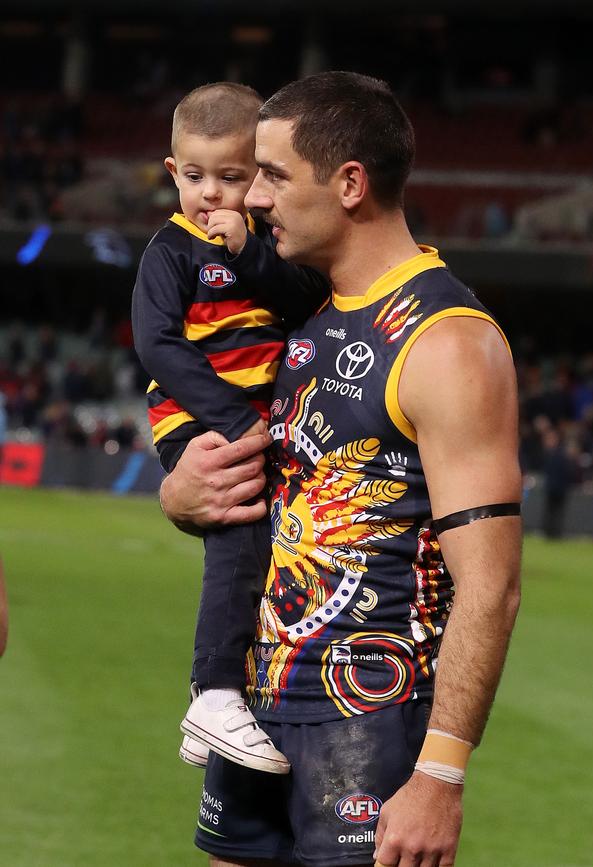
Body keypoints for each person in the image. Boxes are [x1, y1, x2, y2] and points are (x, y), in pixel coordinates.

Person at [161, 71, 522, 867]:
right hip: (259, 710)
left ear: (350, 183)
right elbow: (268, 487)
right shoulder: (303, 314)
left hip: (371, 721)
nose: (252, 197)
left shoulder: (447, 340)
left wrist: (439, 774)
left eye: (274, 175)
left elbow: (491, 583)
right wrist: (183, 496)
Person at [132, 82, 328, 774]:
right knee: (240, 537)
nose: (209, 194)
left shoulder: (262, 247)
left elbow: (301, 296)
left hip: (244, 423)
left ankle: (212, 703)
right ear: (172, 172)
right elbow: (157, 345)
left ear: (261, 177)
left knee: (259, 553)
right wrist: (236, 418)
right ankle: (213, 691)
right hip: (201, 426)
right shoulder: (170, 251)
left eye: (231, 176)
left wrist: (249, 253)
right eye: (193, 176)